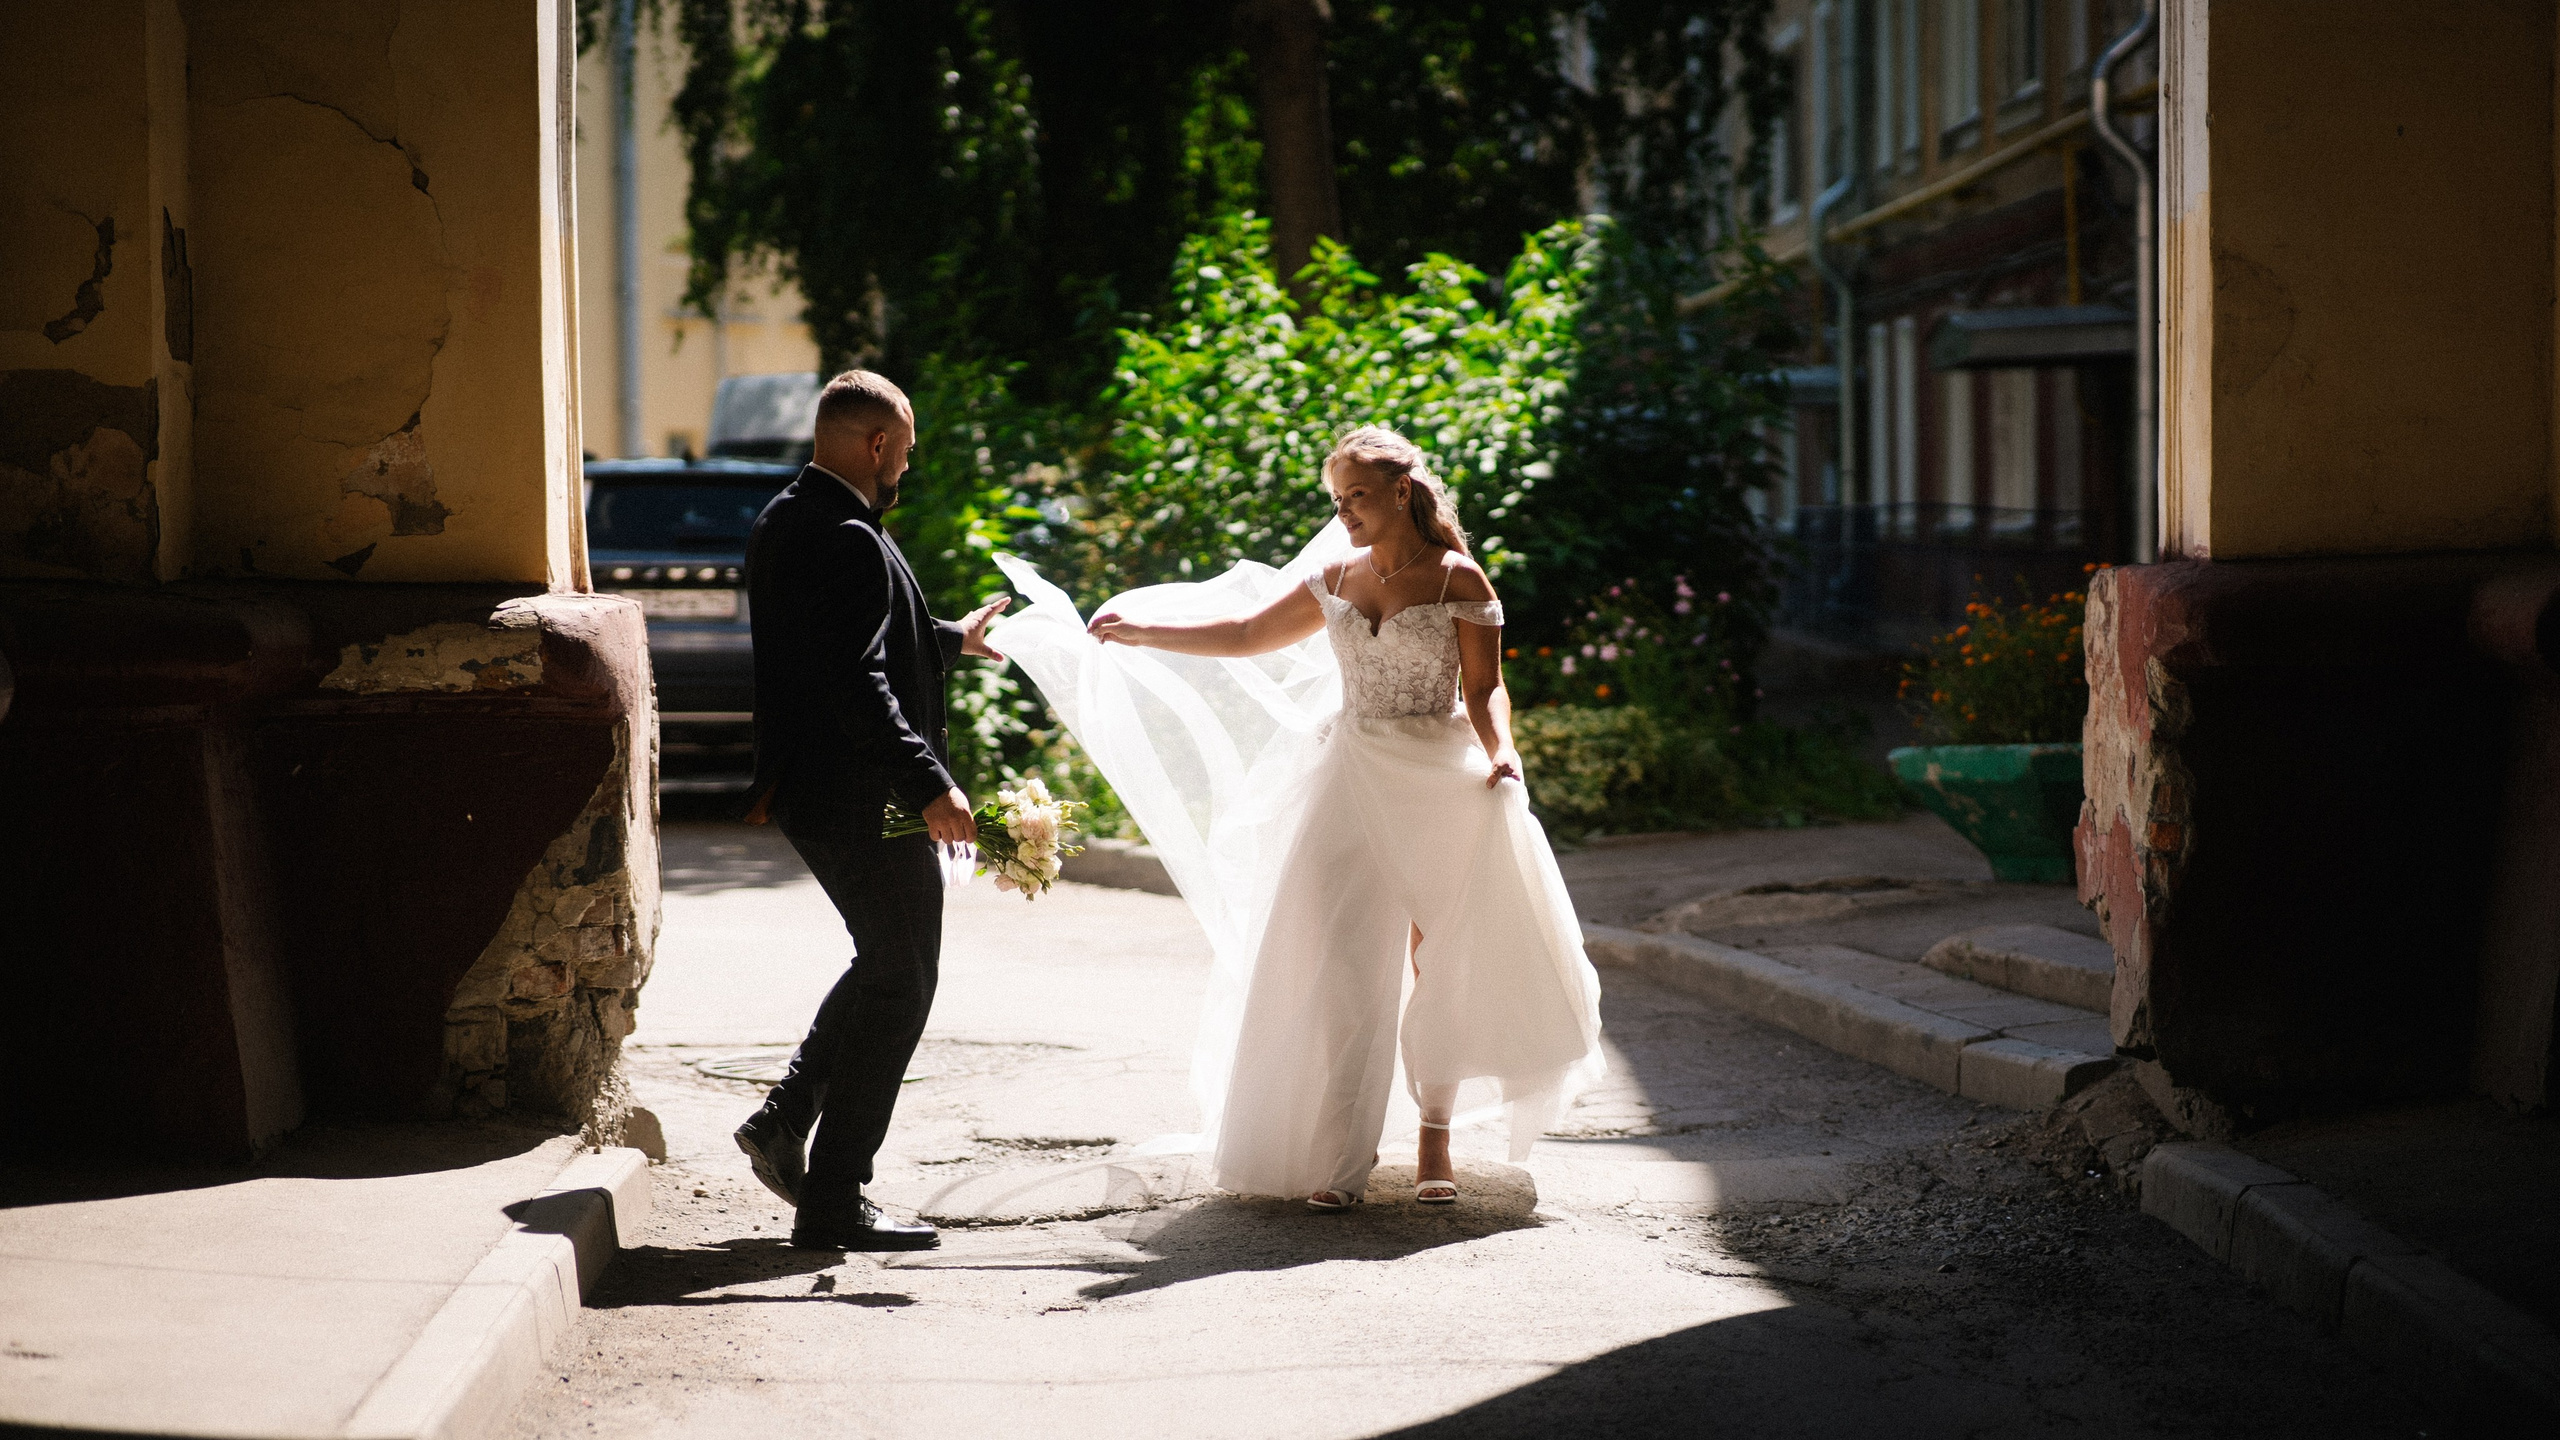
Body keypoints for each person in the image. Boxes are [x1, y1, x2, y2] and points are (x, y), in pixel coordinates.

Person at [1000, 424, 1604, 1209]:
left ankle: (1434, 1138)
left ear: (1400, 490)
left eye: (1357, 495)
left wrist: (1501, 750)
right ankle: (1339, 1156)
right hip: (1349, 777)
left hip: (1438, 778)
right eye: (1337, 498)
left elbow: (1486, 686)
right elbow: (1248, 634)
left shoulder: (1459, 577)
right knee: (1343, 962)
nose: (1346, 510)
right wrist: (1146, 633)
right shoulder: (1334, 577)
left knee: (1438, 959)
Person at [731, 369, 1010, 1251]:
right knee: (901, 978)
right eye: (907, 452)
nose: (907, 469)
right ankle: (834, 1197)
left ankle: (784, 1125)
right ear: (878, 445)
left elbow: (847, 638)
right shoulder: (846, 532)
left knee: (886, 964)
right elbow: (857, 678)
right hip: (858, 792)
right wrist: (930, 781)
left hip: (830, 789)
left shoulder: (793, 515)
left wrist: (952, 638)